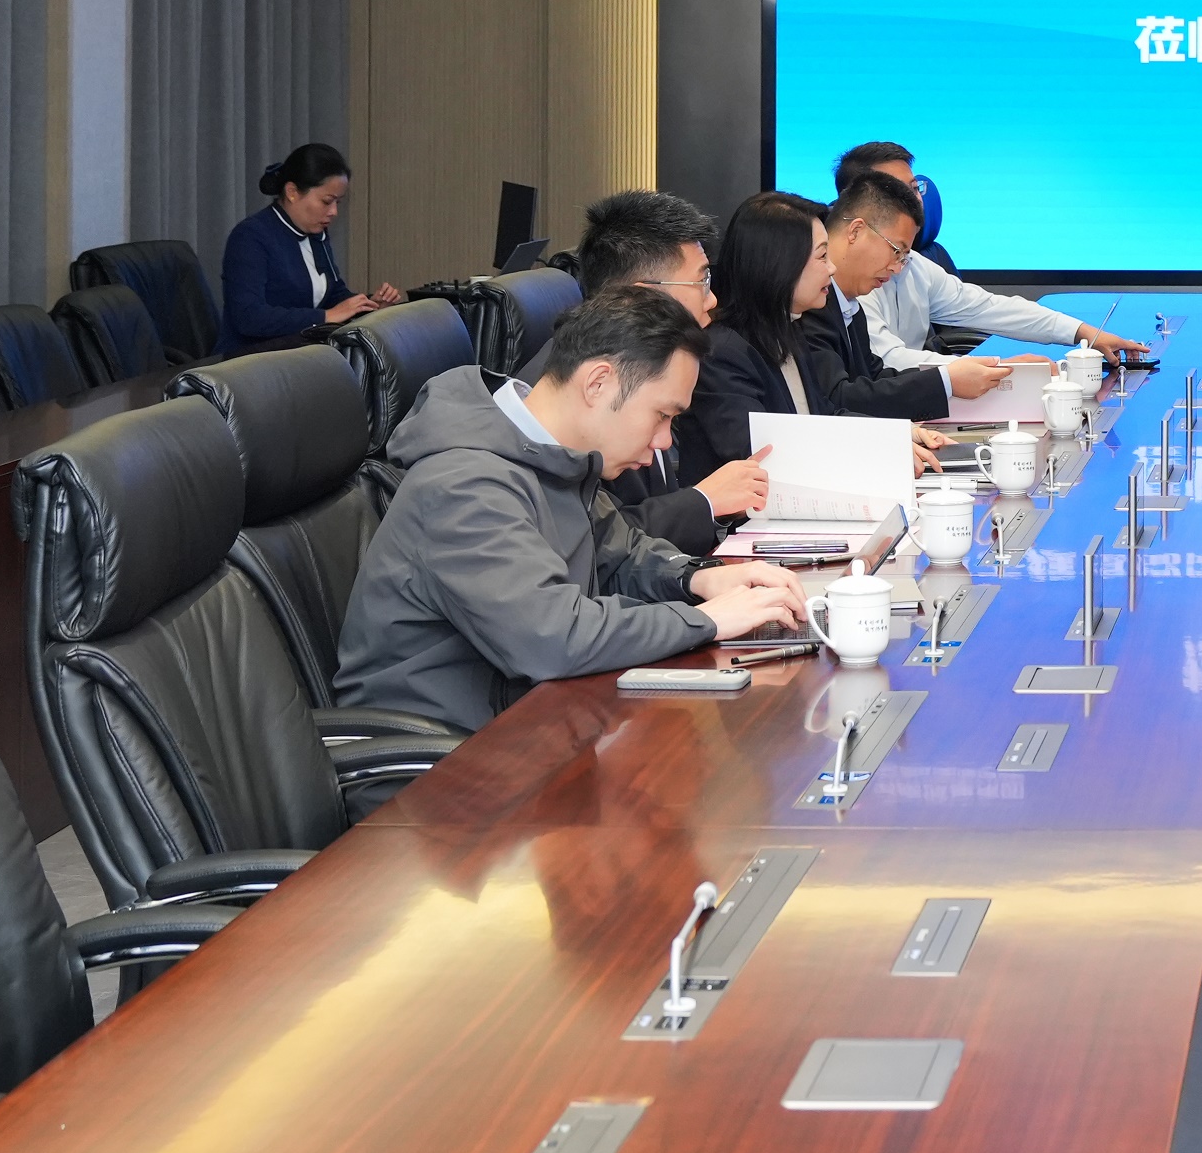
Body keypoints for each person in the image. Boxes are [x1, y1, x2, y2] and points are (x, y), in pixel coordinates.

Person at [335, 288, 806, 732]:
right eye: (662, 415)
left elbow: (620, 554)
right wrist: (708, 620)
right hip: (447, 761)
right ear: (598, 383)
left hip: (534, 723)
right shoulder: (464, 484)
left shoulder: (549, 453)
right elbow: (551, 637)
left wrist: (698, 579)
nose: (665, 440)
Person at [572, 189, 770, 553]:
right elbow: (594, 544)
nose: (713, 300)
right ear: (644, 296)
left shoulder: (649, 367)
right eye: (701, 283)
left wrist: (717, 508)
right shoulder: (579, 390)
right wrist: (704, 501)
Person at [835, 142, 1152, 366]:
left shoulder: (915, 264)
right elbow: (889, 360)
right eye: (898, 190)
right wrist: (1004, 368)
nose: (914, 200)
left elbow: (989, 308)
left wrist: (1085, 333)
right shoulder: (849, 281)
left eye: (914, 188)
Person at [673, 192, 837, 487]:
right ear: (781, 264)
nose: (832, 268)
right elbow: (761, 456)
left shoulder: (788, 329)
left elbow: (822, 415)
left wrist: (894, 439)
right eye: (822, 256)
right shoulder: (722, 353)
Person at [803, 170, 991, 420]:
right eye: (896, 251)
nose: (897, 268)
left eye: (904, 257)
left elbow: (874, 377)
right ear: (856, 231)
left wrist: (953, 375)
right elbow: (837, 398)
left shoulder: (849, 304)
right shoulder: (810, 305)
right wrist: (945, 380)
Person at [219, 143, 402, 354]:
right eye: (326, 201)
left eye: (338, 202)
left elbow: (333, 293)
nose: (333, 212)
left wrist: (368, 307)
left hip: (301, 352)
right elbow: (249, 317)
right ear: (292, 192)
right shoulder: (250, 236)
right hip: (251, 360)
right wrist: (326, 316)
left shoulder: (316, 234)